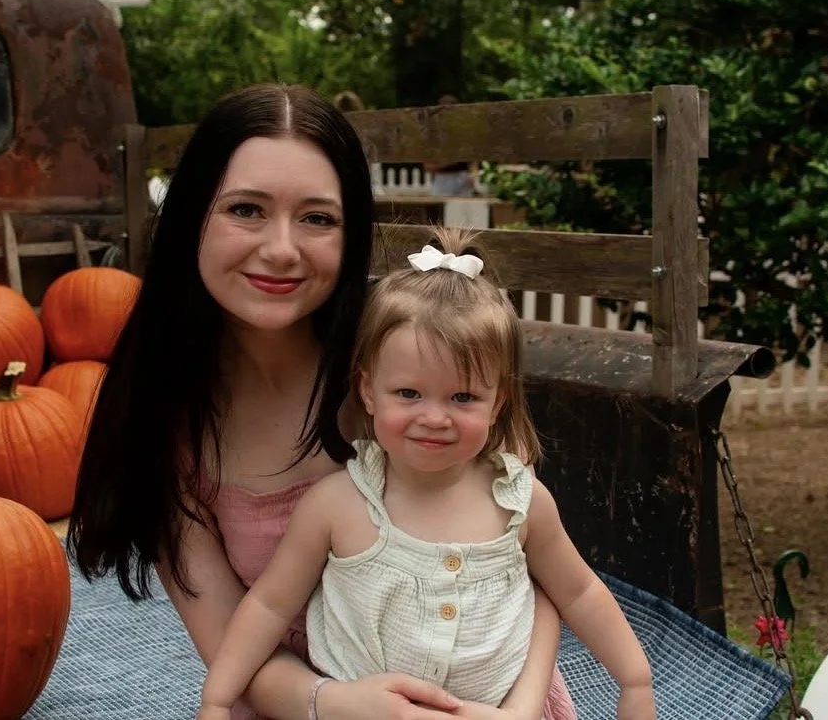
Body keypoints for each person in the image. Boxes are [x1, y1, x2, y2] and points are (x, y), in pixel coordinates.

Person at [67, 83, 577, 720]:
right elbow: (230, 644)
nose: (281, 248)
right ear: (190, 216)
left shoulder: (415, 360)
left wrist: (524, 709)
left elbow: (540, 565)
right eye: (246, 209)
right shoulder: (166, 424)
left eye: (317, 218)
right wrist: (337, 703)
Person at [196, 227, 656, 720]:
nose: (434, 418)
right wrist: (218, 697)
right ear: (369, 392)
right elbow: (269, 605)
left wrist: (634, 680)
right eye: (409, 394)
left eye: (462, 397)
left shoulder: (519, 501)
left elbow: (580, 591)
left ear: (497, 402)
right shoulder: (339, 504)